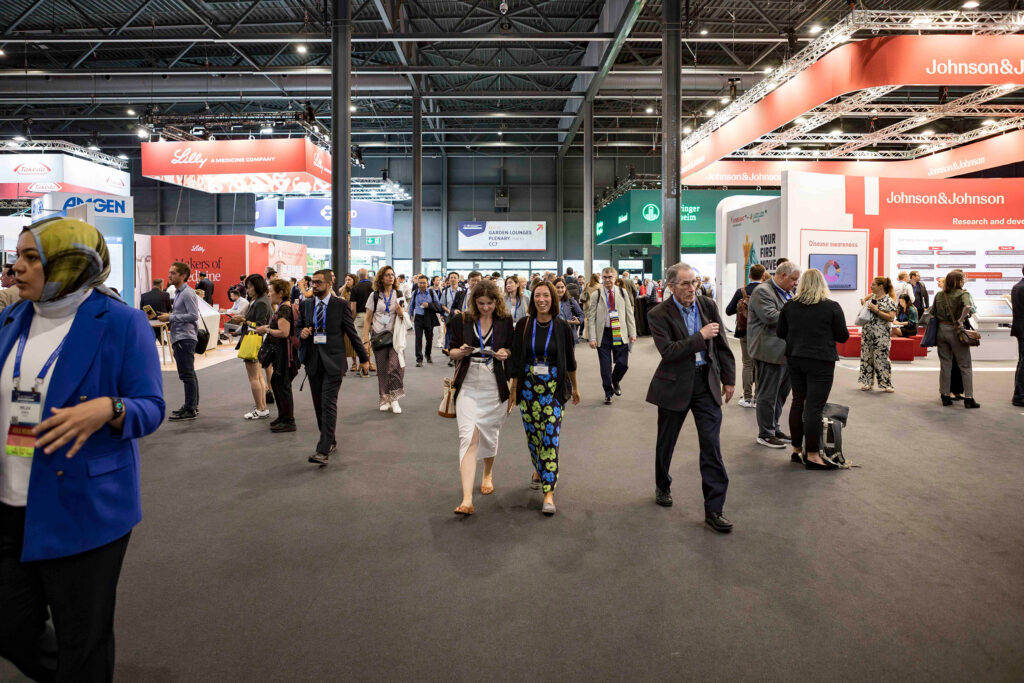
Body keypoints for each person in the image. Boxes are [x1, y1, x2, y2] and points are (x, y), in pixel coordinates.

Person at [0, 217, 163, 682]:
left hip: (85, 511)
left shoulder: (121, 322)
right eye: (19, 255)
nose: (19, 268)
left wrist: (108, 409)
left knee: (83, 641)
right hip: (9, 507)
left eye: (33, 258)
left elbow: (151, 406)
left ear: (69, 263)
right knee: (10, 627)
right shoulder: (11, 318)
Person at [646, 262, 736, 532]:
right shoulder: (658, 314)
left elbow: (721, 344)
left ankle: (714, 509)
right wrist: (699, 336)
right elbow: (670, 351)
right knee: (666, 442)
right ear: (671, 286)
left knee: (711, 446)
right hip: (674, 385)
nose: (691, 288)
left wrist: (729, 379)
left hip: (705, 383)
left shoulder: (707, 305)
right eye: (685, 284)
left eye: (694, 282)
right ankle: (662, 484)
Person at [509, 281, 579, 516]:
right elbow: (516, 359)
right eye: (537, 295)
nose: (541, 299)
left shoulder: (561, 327)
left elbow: (570, 361)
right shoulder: (523, 324)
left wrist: (575, 388)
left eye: (546, 295)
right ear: (532, 299)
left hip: (553, 388)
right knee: (533, 435)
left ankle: (548, 492)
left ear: (553, 299)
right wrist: (513, 390)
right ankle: (538, 469)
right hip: (528, 388)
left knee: (549, 437)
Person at [447, 280, 514, 515]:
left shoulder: (505, 321)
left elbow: (511, 348)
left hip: (494, 384)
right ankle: (466, 499)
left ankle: (487, 473)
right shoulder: (462, 320)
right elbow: (451, 349)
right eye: (481, 303)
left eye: (490, 303)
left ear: (497, 302)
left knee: (489, 433)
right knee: (468, 435)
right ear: (474, 301)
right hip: (468, 383)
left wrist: (505, 352)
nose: (485, 308)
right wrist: (460, 352)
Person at [776, 269, 850, 469]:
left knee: (798, 401)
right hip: (821, 361)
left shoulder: (789, 306)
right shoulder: (831, 307)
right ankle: (813, 455)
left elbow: (780, 332)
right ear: (822, 283)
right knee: (814, 407)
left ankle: (796, 451)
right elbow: (843, 336)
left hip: (795, 358)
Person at [300, 270, 370, 464]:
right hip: (313, 362)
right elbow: (298, 327)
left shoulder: (340, 305)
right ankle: (330, 440)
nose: (314, 286)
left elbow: (352, 333)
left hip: (333, 362)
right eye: (312, 282)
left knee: (328, 404)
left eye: (318, 283)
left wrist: (364, 358)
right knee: (318, 405)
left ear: (330, 284)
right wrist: (302, 332)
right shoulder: (306, 304)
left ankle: (322, 450)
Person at [747, 261, 800, 448]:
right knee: (768, 394)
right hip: (769, 351)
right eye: (793, 279)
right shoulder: (763, 291)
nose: (795, 283)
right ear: (783, 275)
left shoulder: (787, 293)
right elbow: (771, 317)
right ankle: (765, 433)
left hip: (786, 352)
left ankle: (774, 427)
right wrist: (799, 315)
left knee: (781, 394)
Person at [252, 279, 298, 432]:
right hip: (282, 352)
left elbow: (284, 333)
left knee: (282, 385)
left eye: (272, 291)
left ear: (281, 293)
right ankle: (283, 417)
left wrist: (266, 330)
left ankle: (288, 420)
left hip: (284, 353)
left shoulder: (284, 309)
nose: (269, 294)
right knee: (278, 384)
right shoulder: (282, 308)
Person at [587, 267, 637, 405]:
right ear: (601, 278)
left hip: (619, 331)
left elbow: (629, 313)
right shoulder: (596, 294)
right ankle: (608, 392)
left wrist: (632, 332)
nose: (607, 280)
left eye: (610, 277)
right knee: (605, 366)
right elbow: (591, 317)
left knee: (623, 364)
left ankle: (615, 380)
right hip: (603, 333)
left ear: (615, 278)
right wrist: (592, 337)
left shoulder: (622, 292)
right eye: (605, 277)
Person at [159, 262, 201, 421]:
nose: (169, 275)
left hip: (185, 338)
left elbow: (193, 316)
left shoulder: (187, 293)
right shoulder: (179, 293)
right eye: (169, 272)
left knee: (187, 374)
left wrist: (170, 317)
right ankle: (191, 405)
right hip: (181, 336)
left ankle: (190, 408)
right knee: (189, 373)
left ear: (183, 276)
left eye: (173, 273)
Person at [932, 270, 979, 408]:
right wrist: (960, 320)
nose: (964, 281)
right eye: (963, 279)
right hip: (955, 331)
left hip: (941, 331)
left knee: (945, 364)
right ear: (958, 281)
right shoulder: (963, 294)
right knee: (965, 365)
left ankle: (945, 396)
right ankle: (969, 398)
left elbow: (933, 312)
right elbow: (968, 306)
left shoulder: (940, 294)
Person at [363, 265, 407, 413]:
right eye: (387, 274)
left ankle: (394, 399)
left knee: (395, 367)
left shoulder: (399, 294)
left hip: (395, 337)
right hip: (378, 336)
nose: (390, 277)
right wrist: (365, 340)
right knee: (382, 369)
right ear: (381, 278)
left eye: (392, 274)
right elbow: (368, 319)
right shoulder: (374, 296)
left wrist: (401, 313)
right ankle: (384, 397)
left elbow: (405, 317)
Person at [725, 263, 767, 409]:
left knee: (748, 364)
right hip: (763, 333)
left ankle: (747, 398)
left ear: (749, 275)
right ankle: (759, 397)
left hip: (745, 332)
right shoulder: (767, 290)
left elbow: (728, 311)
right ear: (763, 276)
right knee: (760, 364)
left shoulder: (741, 291)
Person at [239, 274, 274, 419]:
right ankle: (262, 408)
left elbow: (259, 326)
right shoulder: (261, 300)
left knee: (254, 378)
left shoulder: (260, 302)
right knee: (259, 377)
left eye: (249, 286)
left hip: (255, 343)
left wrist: (244, 321)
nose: (247, 290)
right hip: (259, 343)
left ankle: (260, 408)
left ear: (257, 286)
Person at [857, 277, 897, 393]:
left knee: (882, 359)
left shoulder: (889, 301)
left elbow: (891, 317)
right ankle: (867, 382)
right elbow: (863, 300)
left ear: (881, 286)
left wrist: (877, 310)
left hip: (881, 335)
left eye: (873, 284)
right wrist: (867, 300)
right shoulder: (872, 297)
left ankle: (886, 384)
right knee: (866, 357)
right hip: (867, 333)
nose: (871, 286)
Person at [409, 274, 442, 367]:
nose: (422, 285)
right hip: (418, 318)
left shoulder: (431, 292)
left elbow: (438, 305)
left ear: (427, 284)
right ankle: (419, 359)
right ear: (417, 283)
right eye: (420, 283)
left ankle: (428, 355)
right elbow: (411, 305)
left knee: (429, 338)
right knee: (418, 339)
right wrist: (409, 317)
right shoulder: (415, 293)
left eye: (424, 283)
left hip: (428, 318)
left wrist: (429, 305)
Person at [350, 268, 375, 375]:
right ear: (367, 275)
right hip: (374, 317)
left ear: (358, 276)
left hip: (360, 317)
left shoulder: (355, 288)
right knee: (372, 341)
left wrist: (352, 319)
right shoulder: (374, 287)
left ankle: (364, 363)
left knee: (361, 342)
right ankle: (371, 362)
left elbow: (353, 309)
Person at [338, 273, 361, 373]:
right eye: (346, 280)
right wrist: (345, 285)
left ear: (354, 281)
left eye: (349, 280)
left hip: (356, 317)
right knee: (348, 341)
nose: (347, 282)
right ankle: (354, 362)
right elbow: (340, 298)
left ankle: (362, 361)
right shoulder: (344, 291)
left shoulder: (358, 290)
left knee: (357, 339)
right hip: (346, 317)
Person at [554, 277, 584, 343]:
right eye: (557, 287)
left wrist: (578, 321)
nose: (560, 290)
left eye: (562, 287)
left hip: (568, 334)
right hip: (554, 335)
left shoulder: (571, 300)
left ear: (565, 288)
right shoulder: (549, 302)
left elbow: (581, 315)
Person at [1011, 266, 1024, 407]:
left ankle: (1019, 394)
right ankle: (1019, 395)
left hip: (1020, 329)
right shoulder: (1021, 287)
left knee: (1022, 362)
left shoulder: (1018, 286)